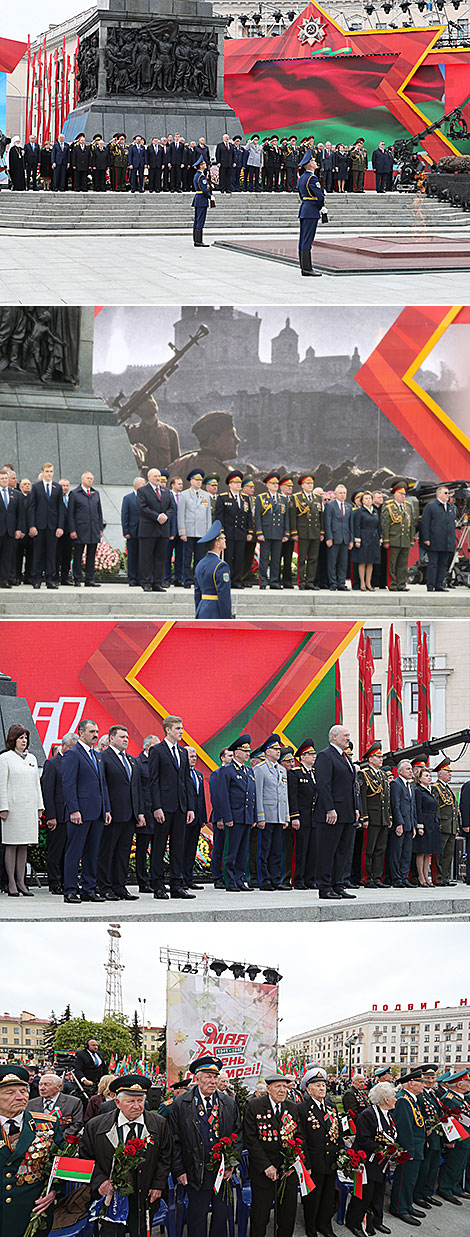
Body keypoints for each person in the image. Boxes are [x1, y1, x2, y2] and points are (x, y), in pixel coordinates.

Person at [80, 1073, 171, 1235]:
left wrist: (158, 1185)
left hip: (144, 1195)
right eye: (131, 1101)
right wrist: (100, 1182)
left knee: (140, 1230)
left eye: (141, 1101)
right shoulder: (95, 1126)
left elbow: (165, 1157)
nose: (137, 1106)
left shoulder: (159, 1124)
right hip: (111, 1196)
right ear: (117, 1102)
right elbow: (86, 1160)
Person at [170, 1054, 242, 1237]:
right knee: (197, 1217)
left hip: (222, 1172)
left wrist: (231, 1165)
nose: (213, 1081)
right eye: (208, 1076)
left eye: (215, 1076)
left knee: (221, 1215)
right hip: (195, 1171)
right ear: (197, 1078)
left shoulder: (228, 1103)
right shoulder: (182, 1103)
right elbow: (174, 1140)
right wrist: (179, 1171)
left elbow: (237, 1135)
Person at [0, 1062, 64, 1237]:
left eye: (23, 1091)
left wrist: (54, 1191)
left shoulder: (47, 1124)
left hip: (32, 1213)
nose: (20, 1097)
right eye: (10, 1093)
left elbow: (64, 1162)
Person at [61, 717, 111, 904]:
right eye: (92, 732)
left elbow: (102, 784)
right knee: (74, 852)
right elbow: (68, 783)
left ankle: (88, 889)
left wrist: (106, 808)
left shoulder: (97, 755)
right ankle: (70, 890)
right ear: (81, 732)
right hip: (80, 813)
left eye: (97, 731)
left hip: (97, 812)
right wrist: (74, 809)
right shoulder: (73, 754)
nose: (96, 735)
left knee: (92, 852)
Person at [243, 1072, 300, 1237]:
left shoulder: (292, 1107)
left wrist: (293, 1164)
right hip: (263, 1172)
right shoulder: (254, 1106)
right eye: (278, 1086)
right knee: (260, 1216)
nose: (283, 1090)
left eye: (285, 1086)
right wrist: (266, 1166)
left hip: (287, 1171)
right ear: (268, 1088)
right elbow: (250, 1139)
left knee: (287, 1215)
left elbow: (299, 1137)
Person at [148, 715, 195, 900]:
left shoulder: (183, 752)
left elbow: (186, 780)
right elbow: (154, 781)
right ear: (168, 730)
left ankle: (177, 884)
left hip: (180, 806)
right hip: (164, 806)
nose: (181, 731)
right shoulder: (157, 751)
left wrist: (190, 807)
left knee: (178, 846)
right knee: (159, 846)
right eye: (177, 728)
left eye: (181, 728)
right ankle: (158, 885)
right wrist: (156, 807)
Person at [98, 724, 146, 902]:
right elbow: (102, 787)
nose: (125, 740)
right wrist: (106, 809)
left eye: (127, 737)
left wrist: (139, 812)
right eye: (121, 737)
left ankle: (120, 886)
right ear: (111, 738)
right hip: (112, 815)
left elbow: (137, 788)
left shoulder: (132, 760)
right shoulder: (103, 758)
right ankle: (104, 886)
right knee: (107, 852)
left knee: (123, 853)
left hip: (130, 815)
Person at [313, 724, 361, 901]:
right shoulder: (325, 756)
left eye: (348, 735)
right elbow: (323, 785)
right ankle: (324, 887)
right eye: (345, 735)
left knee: (342, 851)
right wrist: (329, 808)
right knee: (327, 850)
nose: (348, 738)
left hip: (347, 812)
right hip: (331, 813)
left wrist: (356, 808)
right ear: (334, 737)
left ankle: (338, 884)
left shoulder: (345, 758)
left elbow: (351, 786)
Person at [345, 1081, 396, 1237]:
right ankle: (354, 1223)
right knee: (364, 1194)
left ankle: (376, 1221)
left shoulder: (388, 1114)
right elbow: (363, 1140)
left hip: (381, 1162)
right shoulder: (368, 1114)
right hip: (367, 1161)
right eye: (394, 1096)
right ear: (386, 1100)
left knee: (378, 1192)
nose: (396, 1098)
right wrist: (383, 1149)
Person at [298, 1067, 343, 1237]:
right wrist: (306, 1165)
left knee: (328, 1195)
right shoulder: (302, 1108)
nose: (322, 1088)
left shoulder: (331, 1107)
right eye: (317, 1085)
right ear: (308, 1090)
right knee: (312, 1198)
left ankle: (324, 1224)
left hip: (331, 1160)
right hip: (314, 1162)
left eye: (323, 1085)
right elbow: (300, 1139)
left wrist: (341, 1154)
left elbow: (337, 1132)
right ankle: (311, 1227)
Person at [0, 724, 42, 897]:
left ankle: (21, 882)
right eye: (20, 738)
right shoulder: (5, 758)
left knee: (24, 845)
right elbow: (2, 784)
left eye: (25, 738)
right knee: (11, 844)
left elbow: (36, 785)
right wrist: (3, 808)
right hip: (13, 808)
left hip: (28, 808)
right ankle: (11, 883)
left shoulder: (31, 757)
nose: (23, 741)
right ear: (13, 740)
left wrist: (40, 807)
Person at [215, 734, 257, 891]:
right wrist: (227, 817)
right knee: (231, 851)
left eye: (248, 751)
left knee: (242, 851)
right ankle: (230, 880)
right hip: (234, 816)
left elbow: (253, 794)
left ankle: (240, 879)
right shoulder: (227, 771)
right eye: (245, 751)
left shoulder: (248, 771)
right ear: (236, 752)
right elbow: (223, 796)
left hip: (246, 817)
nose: (248, 754)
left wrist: (254, 816)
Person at [41, 731, 78, 894]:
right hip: (58, 814)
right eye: (71, 748)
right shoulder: (52, 763)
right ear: (64, 746)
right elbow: (47, 791)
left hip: (72, 815)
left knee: (69, 850)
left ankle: (66, 880)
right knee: (56, 850)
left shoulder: (75, 762)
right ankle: (54, 881)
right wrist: (51, 816)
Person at [253, 734, 290, 892]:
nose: (278, 752)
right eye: (275, 749)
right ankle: (264, 880)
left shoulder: (281, 770)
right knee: (264, 849)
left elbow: (284, 794)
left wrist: (286, 816)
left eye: (278, 749)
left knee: (277, 850)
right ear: (267, 752)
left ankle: (276, 879)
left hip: (279, 815)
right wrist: (260, 816)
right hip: (267, 815)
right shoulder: (260, 769)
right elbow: (258, 793)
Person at [390, 1069, 427, 1223]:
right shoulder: (403, 1100)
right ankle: (399, 1208)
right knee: (405, 1178)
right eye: (421, 1082)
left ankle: (407, 1205)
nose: (424, 1085)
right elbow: (404, 1128)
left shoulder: (411, 1099)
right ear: (411, 1083)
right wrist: (408, 1150)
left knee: (411, 1179)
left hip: (417, 1145)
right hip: (409, 1148)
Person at [358, 742, 391, 888]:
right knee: (368, 849)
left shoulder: (383, 775)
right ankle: (367, 878)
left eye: (381, 757)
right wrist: (364, 817)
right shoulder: (364, 774)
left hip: (382, 817)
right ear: (370, 759)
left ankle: (377, 877)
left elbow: (386, 798)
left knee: (380, 849)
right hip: (371, 817)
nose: (381, 759)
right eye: (377, 757)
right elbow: (363, 797)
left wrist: (389, 817)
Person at [28, 461, 64, 590]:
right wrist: (32, 525)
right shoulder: (36, 487)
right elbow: (32, 507)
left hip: (53, 526)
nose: (49, 474)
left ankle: (50, 579)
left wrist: (60, 526)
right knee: (38, 553)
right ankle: (36, 579)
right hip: (39, 525)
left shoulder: (57, 488)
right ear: (42, 472)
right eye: (47, 471)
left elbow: (61, 508)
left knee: (51, 554)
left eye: (51, 471)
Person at [215, 470, 253, 589]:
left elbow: (248, 516)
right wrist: (221, 532)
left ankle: (237, 581)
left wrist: (249, 531)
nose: (238, 485)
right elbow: (219, 516)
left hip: (240, 533)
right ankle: (226, 580)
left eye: (239, 482)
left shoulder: (245, 499)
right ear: (230, 484)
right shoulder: (223, 498)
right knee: (227, 558)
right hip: (228, 533)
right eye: (235, 482)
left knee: (239, 558)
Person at [137, 466, 173, 593]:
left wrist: (166, 516)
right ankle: (146, 582)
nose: (158, 478)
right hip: (148, 530)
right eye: (155, 476)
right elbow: (142, 508)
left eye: (159, 476)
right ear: (149, 478)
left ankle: (157, 582)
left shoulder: (166, 491)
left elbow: (171, 507)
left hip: (163, 530)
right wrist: (157, 516)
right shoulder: (143, 491)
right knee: (146, 557)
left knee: (160, 557)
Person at [287, 740, 317, 890]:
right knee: (301, 849)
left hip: (314, 818)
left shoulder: (315, 773)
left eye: (313, 754)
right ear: (302, 757)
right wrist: (295, 816)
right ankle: (298, 879)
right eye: (310, 754)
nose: (313, 757)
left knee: (313, 850)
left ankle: (309, 878)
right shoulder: (295, 773)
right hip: (302, 817)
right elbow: (293, 796)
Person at [437, 1069, 470, 1202]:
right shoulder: (449, 1099)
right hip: (457, 1138)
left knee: (460, 1164)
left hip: (465, 1136)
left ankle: (455, 1187)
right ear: (459, 1085)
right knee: (452, 1164)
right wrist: (450, 1140)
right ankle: (445, 1189)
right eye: (468, 1082)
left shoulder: (459, 1098)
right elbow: (447, 1120)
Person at [68, 470, 104, 587]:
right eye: (88, 478)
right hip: (80, 530)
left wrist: (100, 529)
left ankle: (90, 579)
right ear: (82, 479)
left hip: (93, 529)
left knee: (91, 555)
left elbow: (99, 513)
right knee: (78, 555)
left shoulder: (95, 493)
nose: (90, 480)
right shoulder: (75, 493)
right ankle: (77, 579)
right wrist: (72, 530)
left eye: (91, 479)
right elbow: (71, 514)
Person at [414, 1068, 443, 1208]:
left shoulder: (432, 1094)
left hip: (436, 1136)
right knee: (424, 1168)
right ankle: (419, 1195)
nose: (431, 1081)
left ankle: (427, 1193)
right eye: (427, 1078)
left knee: (433, 1167)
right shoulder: (420, 1095)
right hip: (427, 1137)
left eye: (433, 1078)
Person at [254, 473, 290, 590]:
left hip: (278, 532)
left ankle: (274, 581)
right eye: (272, 483)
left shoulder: (282, 499)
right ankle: (263, 581)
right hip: (266, 532)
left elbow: (286, 518)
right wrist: (259, 532)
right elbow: (258, 516)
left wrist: (286, 533)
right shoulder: (261, 498)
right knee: (264, 558)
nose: (275, 485)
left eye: (276, 484)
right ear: (267, 485)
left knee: (276, 559)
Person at [133, 734, 158, 892]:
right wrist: (140, 813)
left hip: (158, 812)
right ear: (148, 747)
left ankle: (156, 880)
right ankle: (143, 881)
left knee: (158, 848)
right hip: (145, 812)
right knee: (142, 850)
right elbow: (137, 791)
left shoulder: (158, 763)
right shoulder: (138, 763)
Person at [178, 470, 212, 584]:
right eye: (196, 480)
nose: (198, 482)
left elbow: (208, 515)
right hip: (189, 531)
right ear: (191, 481)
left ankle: (198, 579)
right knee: (187, 558)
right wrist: (182, 532)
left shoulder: (206, 495)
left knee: (200, 558)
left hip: (201, 532)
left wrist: (208, 532)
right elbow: (181, 514)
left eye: (200, 480)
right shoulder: (184, 495)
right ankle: (187, 579)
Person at [290, 474, 324, 590]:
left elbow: (320, 517)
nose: (310, 485)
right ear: (302, 485)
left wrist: (322, 532)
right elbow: (293, 517)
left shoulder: (317, 498)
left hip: (315, 532)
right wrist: (294, 532)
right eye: (307, 483)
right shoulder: (296, 498)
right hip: (303, 532)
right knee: (302, 558)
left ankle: (310, 581)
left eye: (311, 483)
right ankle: (301, 582)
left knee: (313, 558)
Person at [381, 481, 416, 592]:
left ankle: (401, 584)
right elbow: (385, 525)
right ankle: (392, 584)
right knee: (392, 564)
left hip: (405, 540)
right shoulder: (389, 506)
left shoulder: (408, 506)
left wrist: (411, 539)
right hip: (393, 539)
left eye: (404, 494)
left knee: (403, 564)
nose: (403, 496)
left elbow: (411, 524)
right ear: (395, 495)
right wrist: (386, 540)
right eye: (401, 494)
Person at [421, 485, 456, 592]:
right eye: (446, 493)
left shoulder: (450, 508)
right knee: (433, 563)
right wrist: (426, 538)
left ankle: (439, 584)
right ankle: (430, 585)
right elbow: (425, 523)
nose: (448, 495)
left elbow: (451, 525)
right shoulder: (431, 506)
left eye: (448, 493)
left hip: (447, 541)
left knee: (443, 564)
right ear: (439, 494)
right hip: (434, 540)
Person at [194, 520, 232, 619]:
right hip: (215, 612)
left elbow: (197, 593)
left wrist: (198, 611)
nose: (225, 540)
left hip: (202, 610)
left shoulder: (200, 564)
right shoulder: (221, 566)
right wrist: (227, 618)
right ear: (217, 544)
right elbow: (224, 595)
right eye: (223, 538)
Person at [412, 765, 442, 887]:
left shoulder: (429, 791)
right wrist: (419, 825)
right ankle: (421, 877)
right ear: (419, 779)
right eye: (426, 776)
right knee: (421, 851)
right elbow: (418, 809)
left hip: (432, 822)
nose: (429, 778)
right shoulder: (418, 791)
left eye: (429, 776)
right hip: (424, 821)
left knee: (428, 852)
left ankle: (426, 876)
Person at [431, 759, 459, 887]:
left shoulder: (447, 789)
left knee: (448, 853)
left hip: (451, 826)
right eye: (447, 771)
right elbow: (435, 808)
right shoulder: (436, 788)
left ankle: (445, 877)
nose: (450, 774)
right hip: (442, 825)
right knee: (439, 853)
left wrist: (456, 825)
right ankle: (438, 877)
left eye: (450, 771)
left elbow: (454, 809)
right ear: (440, 773)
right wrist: (437, 824)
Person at [389, 759, 417, 889]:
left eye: (411, 769)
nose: (411, 771)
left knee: (406, 853)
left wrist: (414, 825)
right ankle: (396, 878)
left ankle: (404, 877)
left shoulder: (411, 785)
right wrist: (399, 823)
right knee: (397, 852)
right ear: (400, 771)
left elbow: (413, 806)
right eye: (408, 769)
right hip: (400, 824)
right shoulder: (396, 784)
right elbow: (396, 805)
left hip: (410, 824)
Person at [183, 746, 208, 890]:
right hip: (185, 817)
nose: (194, 759)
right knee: (182, 849)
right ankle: (180, 878)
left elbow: (201, 797)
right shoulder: (181, 773)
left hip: (197, 818)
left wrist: (203, 816)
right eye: (191, 756)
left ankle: (189, 878)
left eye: (195, 757)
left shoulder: (198, 774)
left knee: (192, 849)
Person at [209, 748, 234, 889]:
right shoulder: (217, 774)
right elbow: (217, 797)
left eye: (233, 755)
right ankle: (217, 877)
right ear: (222, 758)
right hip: (221, 817)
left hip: (233, 816)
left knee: (231, 848)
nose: (231, 758)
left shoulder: (236, 773)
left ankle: (229, 875)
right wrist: (219, 818)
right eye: (229, 756)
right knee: (219, 848)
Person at [297, 150, 324, 276]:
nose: (315, 162)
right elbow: (320, 197)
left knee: (303, 239)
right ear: (310, 164)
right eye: (313, 161)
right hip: (312, 210)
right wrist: (320, 208)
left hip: (304, 209)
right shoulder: (312, 178)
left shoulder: (302, 178)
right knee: (308, 239)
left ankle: (304, 266)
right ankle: (307, 268)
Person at [324, 484, 354, 591]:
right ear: (335, 494)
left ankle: (341, 583)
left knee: (343, 562)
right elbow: (327, 523)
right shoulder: (330, 505)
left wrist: (351, 539)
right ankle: (333, 583)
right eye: (340, 493)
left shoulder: (349, 506)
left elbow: (351, 524)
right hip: (334, 537)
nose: (342, 495)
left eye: (344, 493)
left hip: (345, 538)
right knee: (332, 562)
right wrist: (329, 537)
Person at [0, 466, 25, 588]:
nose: (4, 480)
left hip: (10, 531)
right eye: (2, 478)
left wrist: (19, 529)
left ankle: (4, 580)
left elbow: (20, 514)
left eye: (6, 478)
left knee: (6, 557)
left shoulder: (16, 494)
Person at [353, 490, 381, 591]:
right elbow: (357, 526)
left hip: (374, 538)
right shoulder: (359, 511)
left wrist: (379, 537)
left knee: (371, 561)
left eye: (370, 498)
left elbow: (378, 526)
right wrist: (357, 539)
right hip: (363, 537)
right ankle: (362, 583)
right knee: (362, 561)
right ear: (362, 501)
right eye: (366, 499)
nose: (368, 500)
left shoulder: (375, 511)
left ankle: (369, 583)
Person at [121, 476, 145, 587]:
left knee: (143, 556)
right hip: (132, 532)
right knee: (132, 556)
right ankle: (132, 578)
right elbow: (125, 515)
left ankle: (141, 578)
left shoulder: (146, 498)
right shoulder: (128, 498)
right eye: (142, 484)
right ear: (137, 485)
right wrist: (126, 531)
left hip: (145, 532)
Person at [164, 475, 184, 585]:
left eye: (181, 484)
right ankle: (166, 578)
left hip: (181, 532)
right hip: (170, 532)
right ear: (172, 485)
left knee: (180, 557)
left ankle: (178, 578)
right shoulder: (167, 495)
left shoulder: (184, 496)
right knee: (167, 556)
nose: (181, 485)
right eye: (179, 484)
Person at [192, 156, 213, 247]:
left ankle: (196, 240)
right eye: (203, 164)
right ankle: (198, 241)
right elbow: (204, 190)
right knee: (200, 220)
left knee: (197, 220)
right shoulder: (201, 176)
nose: (205, 165)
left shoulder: (197, 175)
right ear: (201, 166)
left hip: (198, 198)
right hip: (202, 199)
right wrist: (210, 196)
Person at [56, 478, 73, 585]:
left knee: (67, 556)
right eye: (63, 485)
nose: (65, 488)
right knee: (56, 556)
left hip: (69, 532)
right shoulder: (55, 498)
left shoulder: (72, 498)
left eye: (67, 485)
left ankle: (65, 578)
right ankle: (55, 577)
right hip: (58, 531)